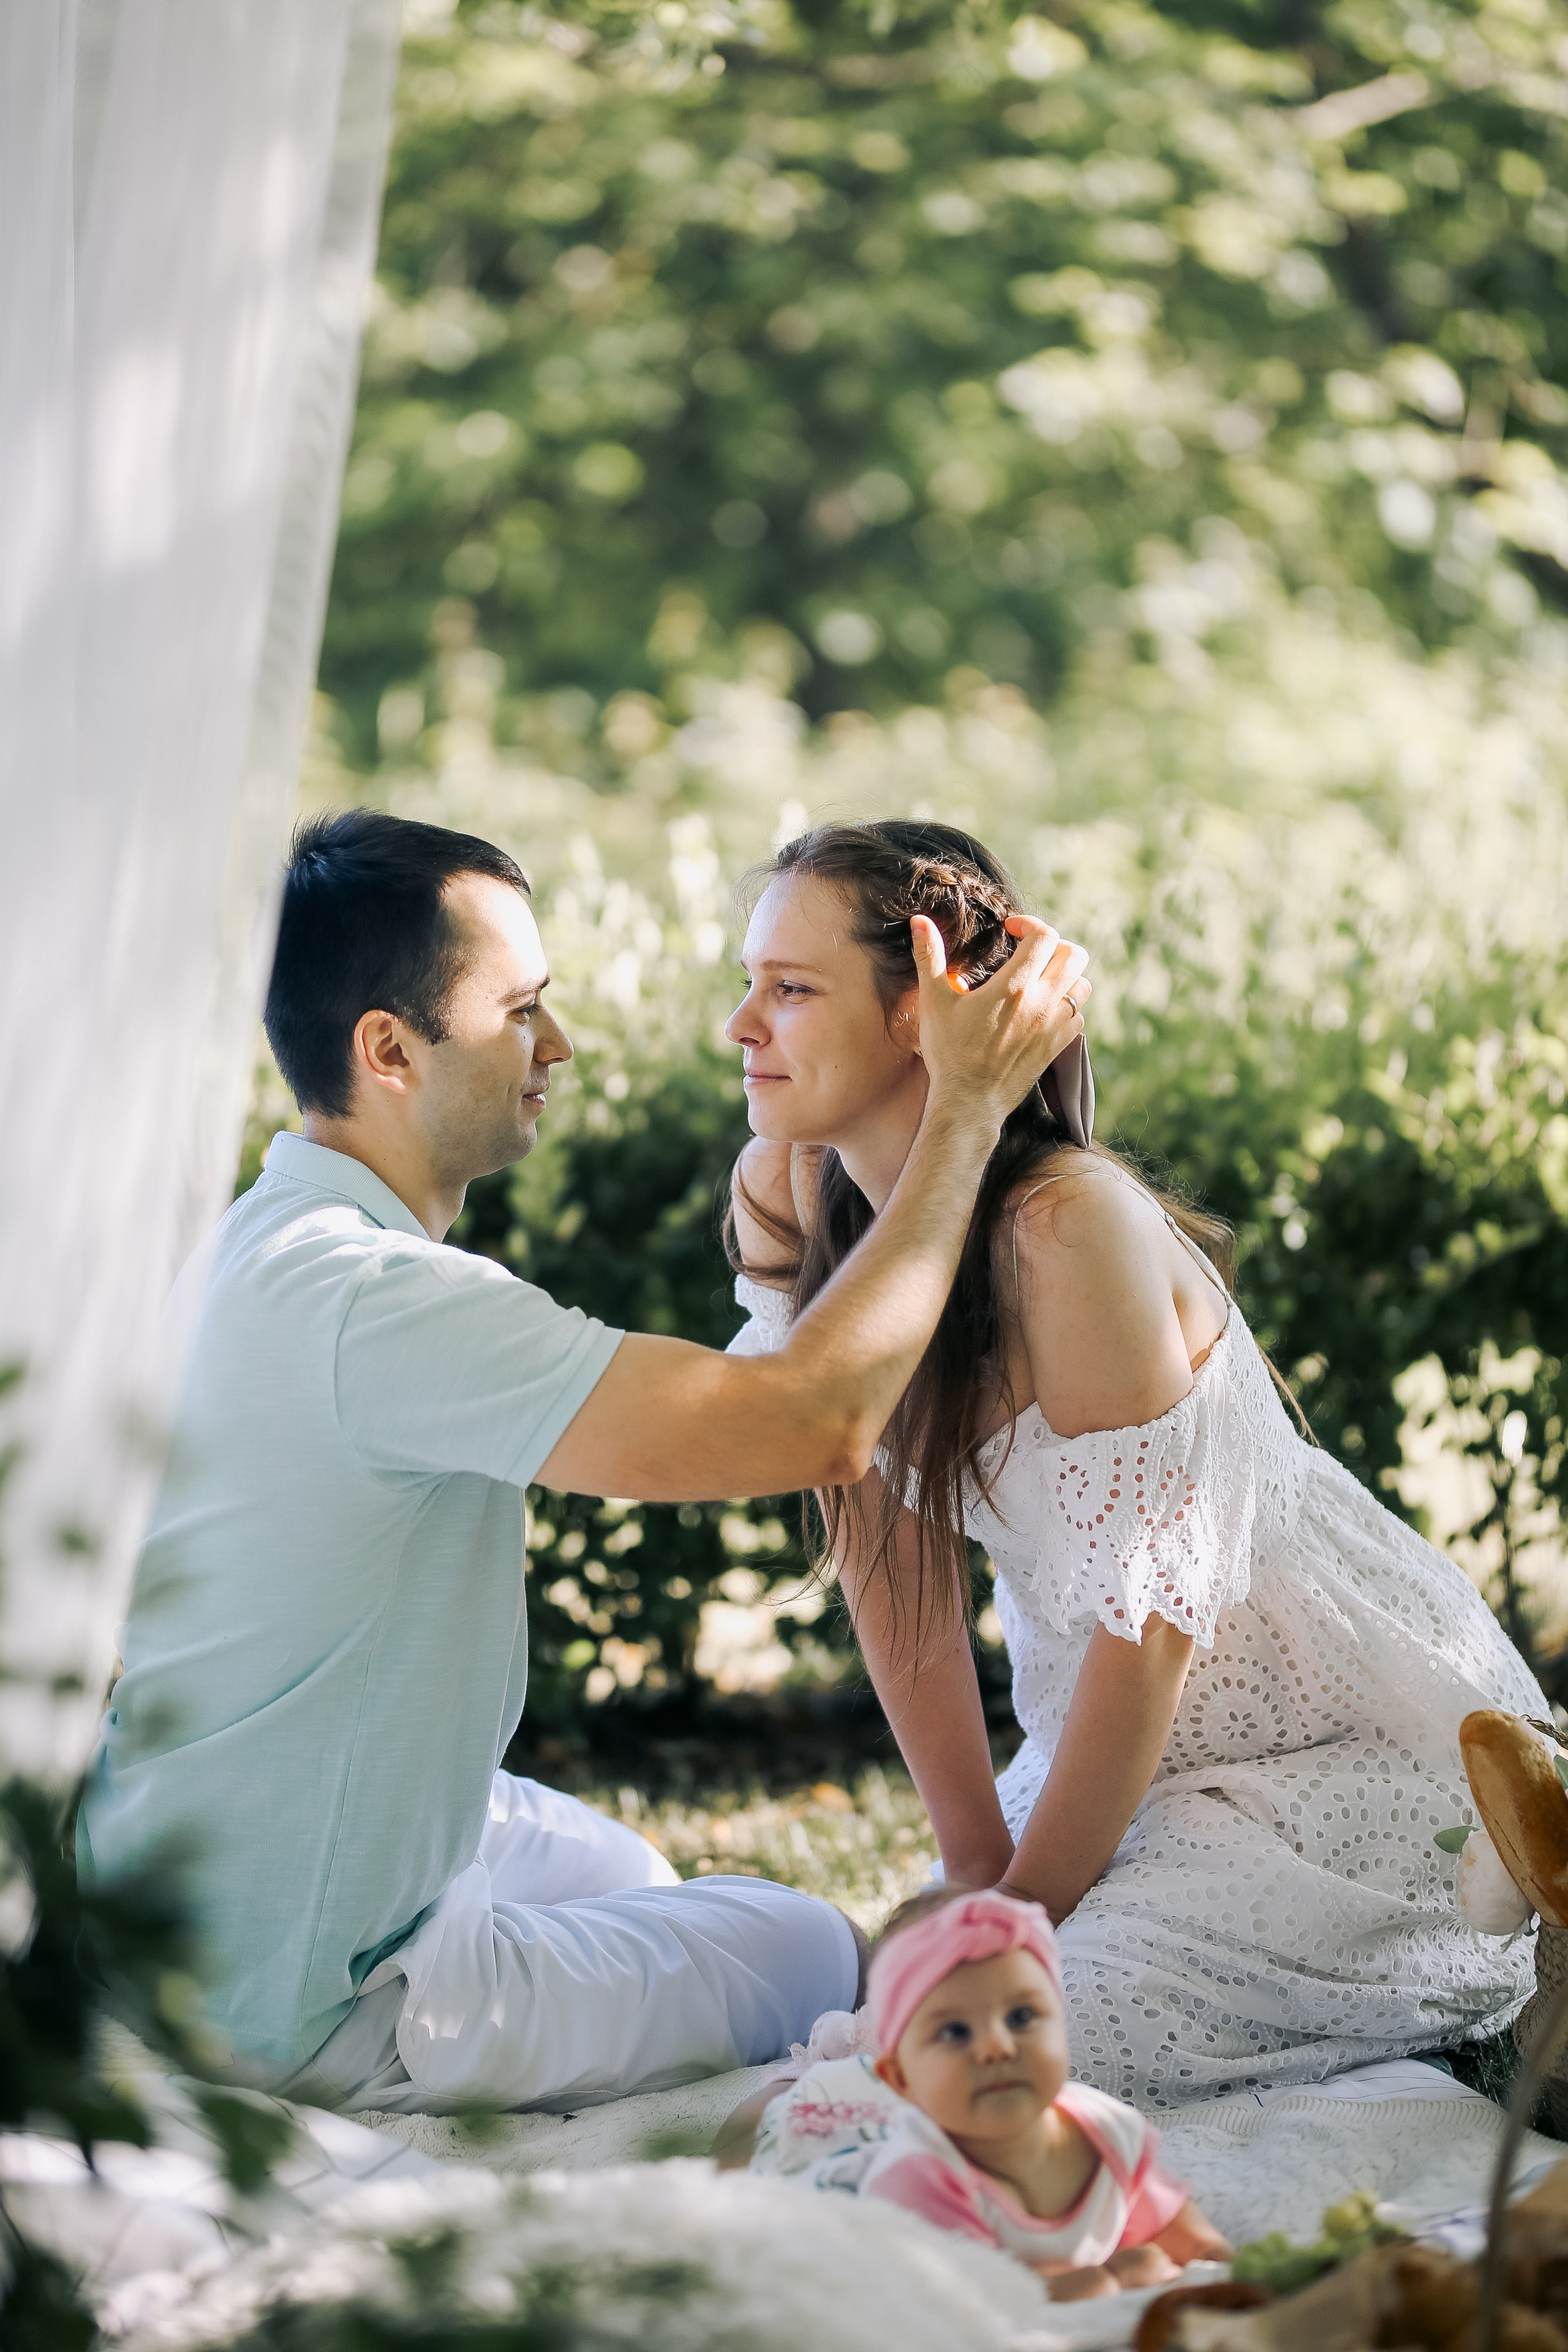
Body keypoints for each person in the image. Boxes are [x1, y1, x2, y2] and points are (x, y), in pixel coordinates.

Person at [75, 810, 1088, 2116]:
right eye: (520, 1011)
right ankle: (435, 2025)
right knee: (812, 1952)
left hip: (180, 1887)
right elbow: (812, 1422)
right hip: (298, 1998)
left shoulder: (265, 1240)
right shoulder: (371, 1300)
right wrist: (966, 1109)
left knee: (629, 1871)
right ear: (387, 1049)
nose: (555, 1046)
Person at [724, 818, 1547, 2109]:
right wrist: (973, 1865)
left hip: (1330, 1764)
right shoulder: (790, 1194)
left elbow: (1150, 1628)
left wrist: (1020, 1919)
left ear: (922, 1014)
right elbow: (891, 1570)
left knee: (1003, 2054)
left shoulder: (1066, 1229)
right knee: (919, 2024)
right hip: (1109, 1763)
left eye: (788, 988)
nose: (741, 1027)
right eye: (748, 984)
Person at [753, 1888, 1227, 2296]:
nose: (998, 2047)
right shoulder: (916, 2180)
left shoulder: (1108, 2132)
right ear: (902, 2079)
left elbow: (1189, 2239)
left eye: (1022, 2018)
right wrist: (1089, 2283)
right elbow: (969, 2311)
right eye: (956, 2031)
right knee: (765, 2169)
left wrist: (1216, 2269)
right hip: (836, 2174)